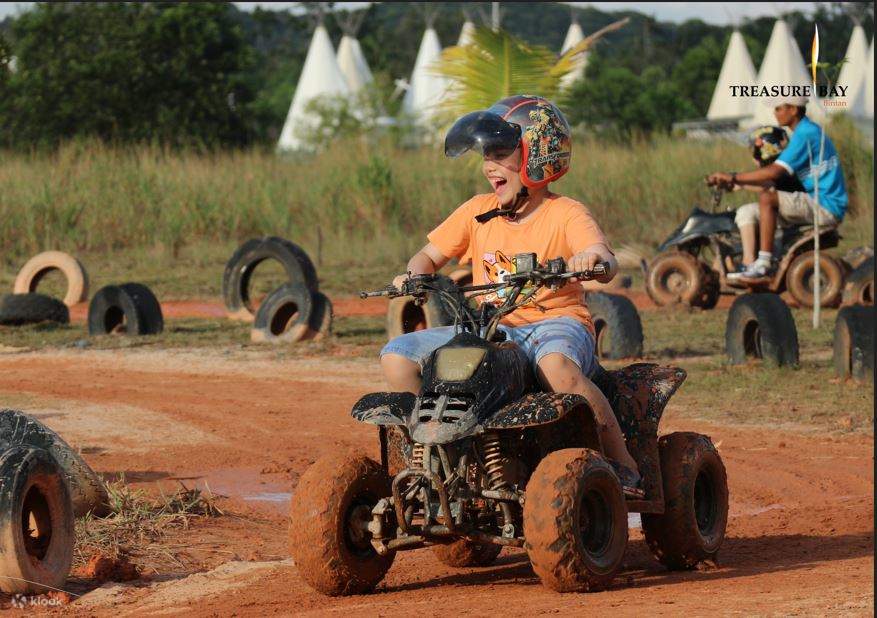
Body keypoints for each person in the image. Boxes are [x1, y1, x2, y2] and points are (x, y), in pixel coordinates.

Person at [379, 95, 641, 492]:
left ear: (538, 157)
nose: (488, 166)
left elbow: (603, 256)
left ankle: (622, 465)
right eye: (486, 155)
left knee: (556, 369)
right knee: (397, 357)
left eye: (501, 154)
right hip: (491, 330)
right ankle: (438, 456)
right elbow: (428, 255)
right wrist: (414, 275)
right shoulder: (477, 210)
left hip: (555, 324)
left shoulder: (566, 212)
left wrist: (593, 259)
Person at [707, 96, 848, 282]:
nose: (775, 113)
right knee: (748, 212)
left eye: (779, 108)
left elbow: (773, 173)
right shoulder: (804, 132)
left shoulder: (805, 134)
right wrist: (736, 181)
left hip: (824, 205)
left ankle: (764, 263)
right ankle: (750, 263)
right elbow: (775, 178)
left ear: (794, 110)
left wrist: (733, 177)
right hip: (816, 200)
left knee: (768, 198)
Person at [726, 125, 805, 277]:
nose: (752, 154)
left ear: (766, 148)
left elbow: (769, 185)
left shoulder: (780, 166)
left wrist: (741, 183)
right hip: (788, 207)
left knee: (745, 212)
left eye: (754, 149)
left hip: (794, 209)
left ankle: (748, 263)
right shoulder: (783, 162)